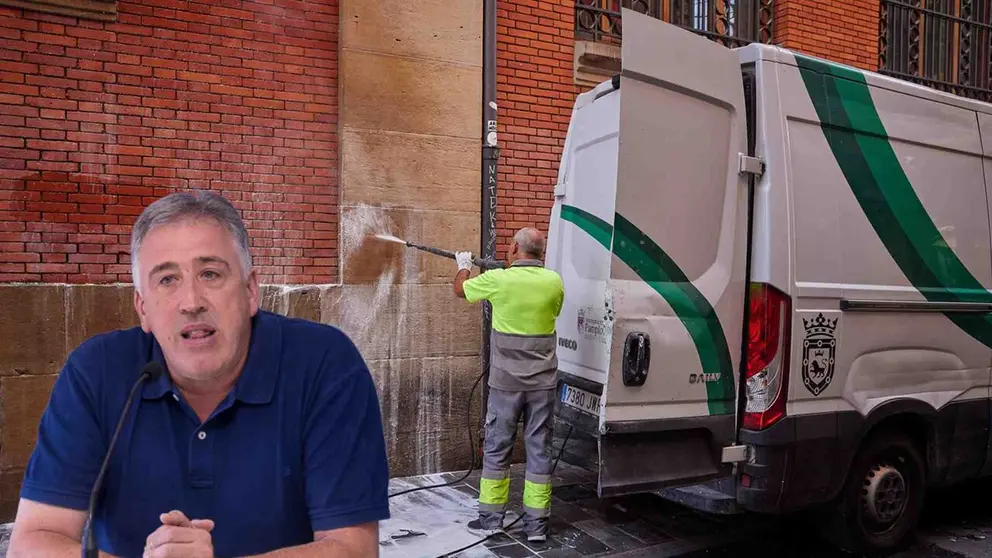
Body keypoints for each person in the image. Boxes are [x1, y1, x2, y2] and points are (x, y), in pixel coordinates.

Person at [7, 191, 390, 558]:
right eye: (167, 279)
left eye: (210, 274)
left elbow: (351, 548)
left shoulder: (325, 365)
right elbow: (34, 542)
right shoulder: (96, 372)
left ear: (251, 291)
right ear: (142, 307)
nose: (191, 302)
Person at [453, 227, 564, 543]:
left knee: (498, 447)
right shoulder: (554, 282)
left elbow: (461, 290)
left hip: (506, 385)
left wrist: (463, 265)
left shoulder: (499, 281)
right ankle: (536, 527)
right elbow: (553, 312)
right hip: (543, 384)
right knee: (539, 450)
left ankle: (491, 520)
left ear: (515, 248)